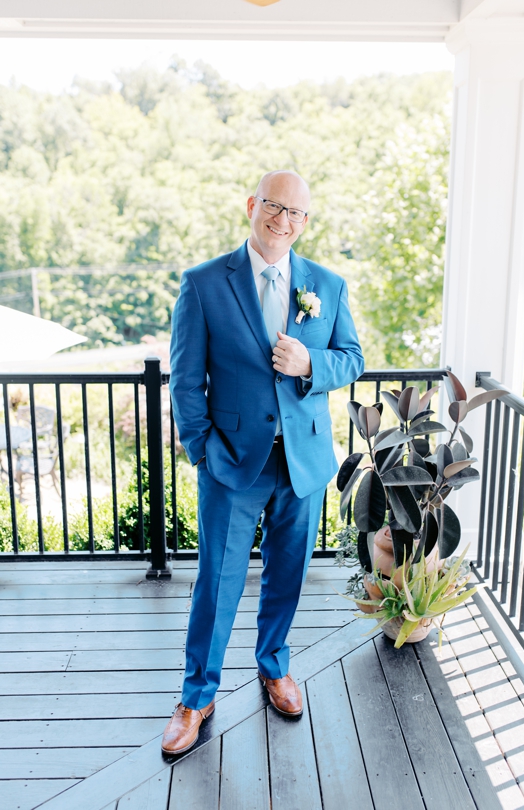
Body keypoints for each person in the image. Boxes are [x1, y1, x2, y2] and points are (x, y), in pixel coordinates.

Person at [163, 170, 363, 755]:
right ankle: (197, 696)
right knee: (216, 582)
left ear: (306, 221)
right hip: (231, 463)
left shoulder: (327, 284)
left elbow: (352, 359)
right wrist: (202, 450)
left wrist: (311, 365)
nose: (284, 220)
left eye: (296, 212)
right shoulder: (203, 283)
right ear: (252, 205)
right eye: (275, 206)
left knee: (288, 574)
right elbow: (185, 379)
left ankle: (274, 666)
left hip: (302, 462)